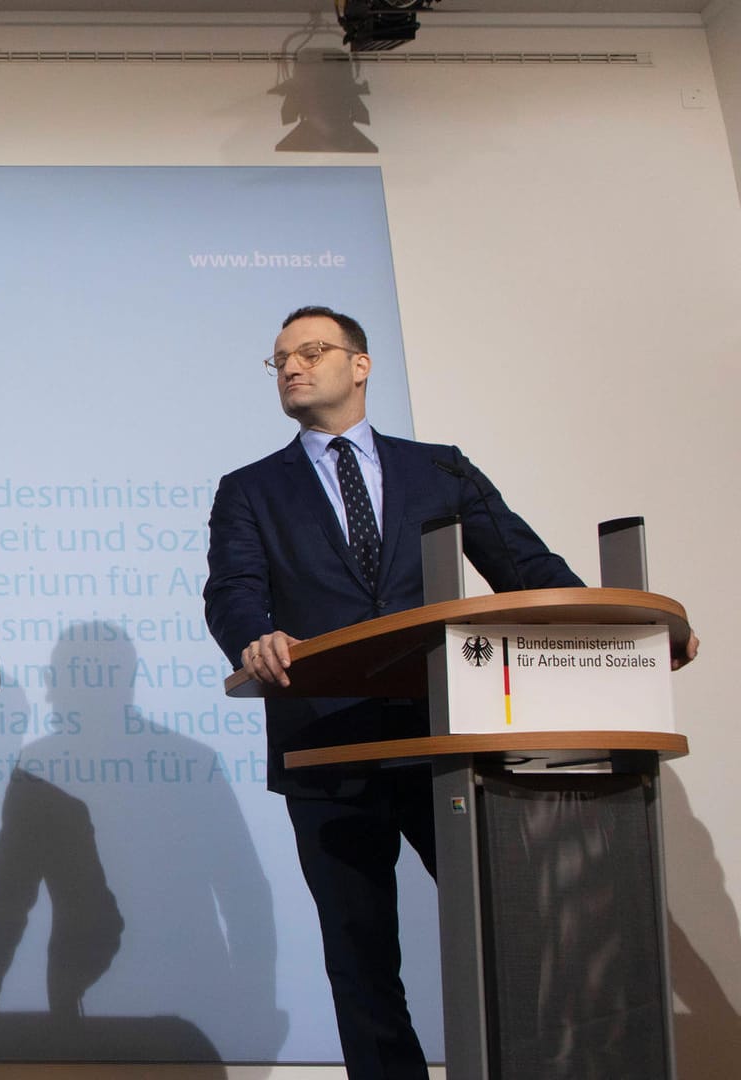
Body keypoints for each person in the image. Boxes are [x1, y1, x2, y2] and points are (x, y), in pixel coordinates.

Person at [203, 304, 587, 1079]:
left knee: (511, 933)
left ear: (361, 363)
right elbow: (233, 591)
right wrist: (255, 634)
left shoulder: (438, 469)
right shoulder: (250, 489)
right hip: (326, 743)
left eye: (310, 351)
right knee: (361, 960)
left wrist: (605, 632)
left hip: (444, 735)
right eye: (279, 359)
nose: (292, 367)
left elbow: (525, 565)